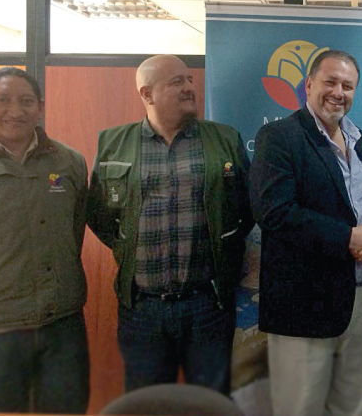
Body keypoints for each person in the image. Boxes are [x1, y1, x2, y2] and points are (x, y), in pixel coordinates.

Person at [87, 54, 254, 394]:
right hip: (142, 309)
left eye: (190, 79)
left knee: (209, 402)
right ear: (147, 93)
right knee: (147, 403)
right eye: (177, 82)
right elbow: (99, 213)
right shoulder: (114, 143)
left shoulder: (224, 139)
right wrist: (126, 245)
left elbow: (247, 208)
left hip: (208, 306)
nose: (189, 87)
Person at [249, 50, 362, 416]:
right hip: (305, 305)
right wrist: (348, 238)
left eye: (348, 86)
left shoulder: (358, 139)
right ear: (309, 84)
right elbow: (275, 212)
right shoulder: (279, 136)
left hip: (361, 298)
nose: (338, 92)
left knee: (355, 406)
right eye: (330, 82)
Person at [0, 67, 89, 413]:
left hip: (62, 323)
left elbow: (75, 229)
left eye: (26, 101)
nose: (16, 110)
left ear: (40, 107)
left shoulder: (68, 162)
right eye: (3, 100)